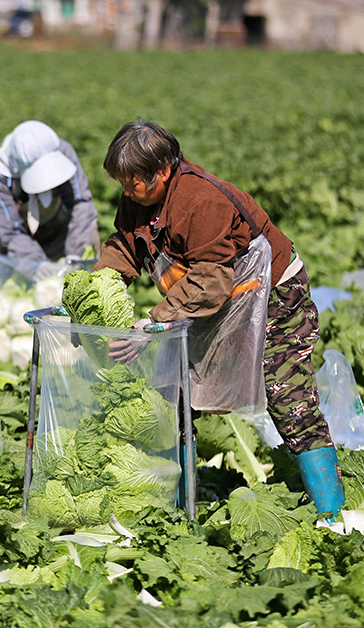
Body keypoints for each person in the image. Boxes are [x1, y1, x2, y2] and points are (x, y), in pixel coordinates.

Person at [95, 119, 344, 516]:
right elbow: (125, 248)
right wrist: (94, 290)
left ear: (162, 171)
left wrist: (156, 319)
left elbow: (211, 279)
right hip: (208, 300)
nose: (126, 191)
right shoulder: (138, 200)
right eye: (121, 182)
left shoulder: (200, 202)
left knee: (288, 396)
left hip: (271, 295)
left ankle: (333, 513)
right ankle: (179, 510)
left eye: (133, 182)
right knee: (174, 394)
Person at [0, 121, 100, 293]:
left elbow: (81, 204)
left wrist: (75, 254)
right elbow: (11, 232)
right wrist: (36, 265)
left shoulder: (63, 153)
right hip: (3, 228)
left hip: (53, 220)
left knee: (81, 273)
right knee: (1, 286)